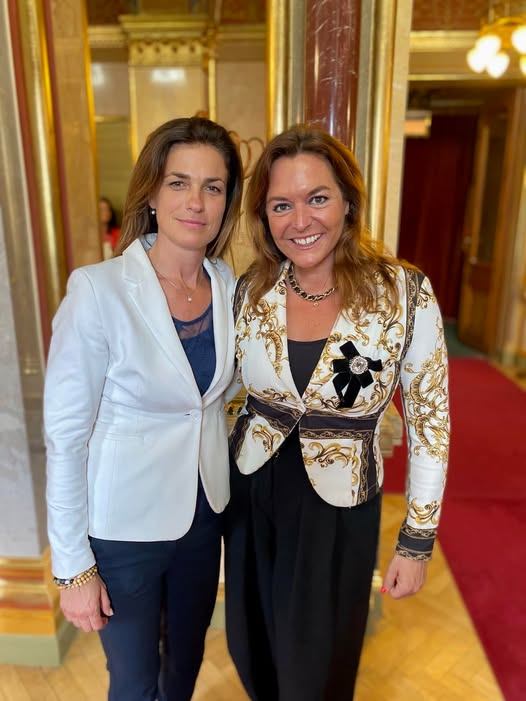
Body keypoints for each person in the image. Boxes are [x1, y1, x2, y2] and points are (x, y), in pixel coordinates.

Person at [224, 125, 450, 700]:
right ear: (264, 216)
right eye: (281, 204)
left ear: (348, 201)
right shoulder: (251, 290)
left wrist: (416, 540)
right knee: (253, 647)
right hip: (254, 492)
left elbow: (430, 422)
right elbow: (224, 395)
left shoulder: (402, 293)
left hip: (339, 506)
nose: (300, 220)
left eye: (317, 198)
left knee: (317, 668)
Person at [44, 116, 243, 701]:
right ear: (152, 193)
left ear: (227, 201)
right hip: (124, 528)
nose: (196, 202)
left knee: (184, 663)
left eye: (212, 186)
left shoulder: (230, 285)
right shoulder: (98, 289)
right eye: (179, 182)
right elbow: (66, 436)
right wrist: (73, 566)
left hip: (204, 516)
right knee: (133, 680)